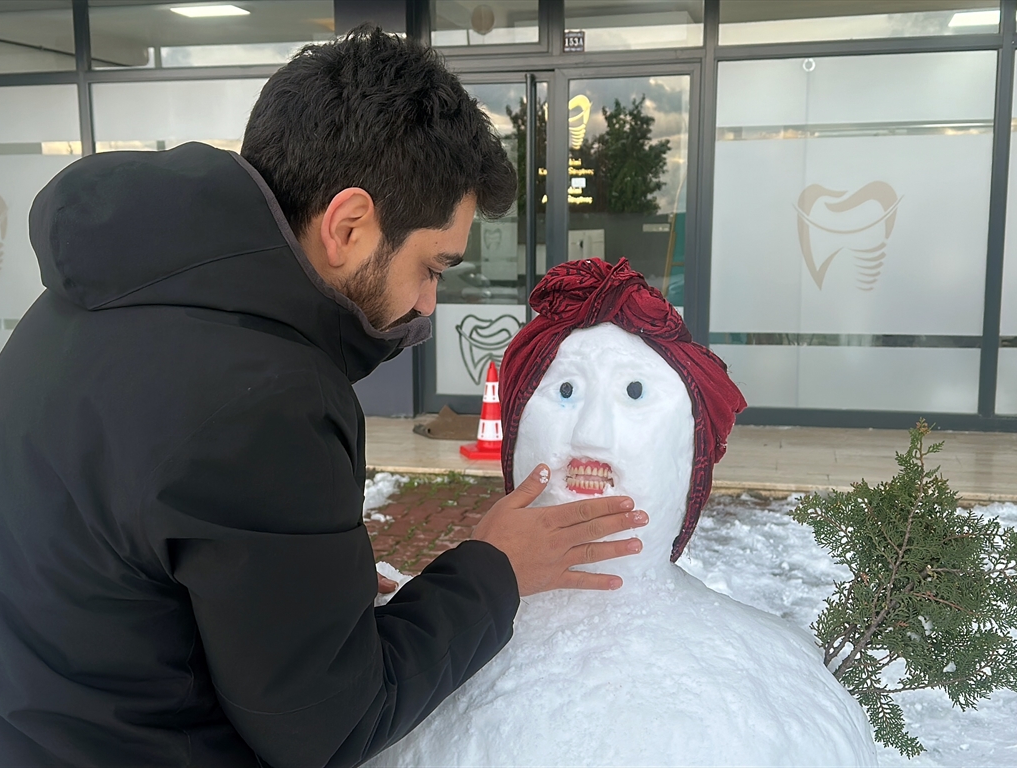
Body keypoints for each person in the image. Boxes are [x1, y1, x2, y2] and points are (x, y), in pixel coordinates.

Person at [0, 28, 647, 767]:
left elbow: (111, 555)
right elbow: (329, 728)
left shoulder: (104, 291)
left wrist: (279, 589)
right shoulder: (265, 396)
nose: (429, 304)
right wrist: (494, 568)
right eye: (434, 265)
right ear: (350, 226)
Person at [368, 259, 877, 767]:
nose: (591, 433)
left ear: (688, 456)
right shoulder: (419, 646)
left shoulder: (771, 695)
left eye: (634, 393)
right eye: (565, 391)